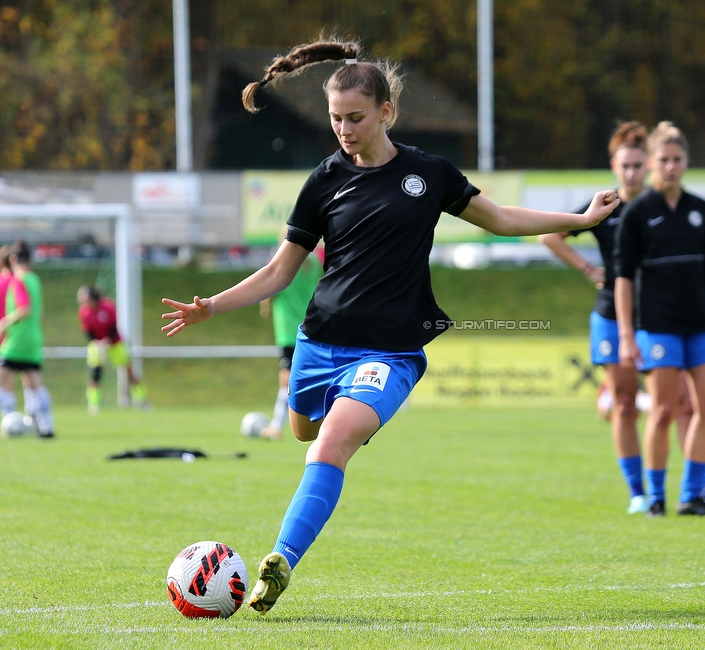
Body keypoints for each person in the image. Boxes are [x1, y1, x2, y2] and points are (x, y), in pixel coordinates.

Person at [161, 37, 619, 615]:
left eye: (355, 118)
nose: (344, 130)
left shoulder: (428, 174)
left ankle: (280, 562)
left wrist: (579, 220)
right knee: (303, 432)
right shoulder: (324, 181)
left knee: (329, 443)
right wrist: (212, 306)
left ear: (386, 112)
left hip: (391, 351)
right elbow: (280, 272)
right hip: (319, 342)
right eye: (334, 119)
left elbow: (499, 219)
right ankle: (306, 477)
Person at [614, 121, 705, 517]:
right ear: (651, 163)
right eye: (664, 159)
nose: (671, 166)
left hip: (701, 328)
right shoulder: (637, 213)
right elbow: (623, 280)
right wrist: (627, 336)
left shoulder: (701, 210)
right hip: (658, 327)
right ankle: (656, 496)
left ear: (686, 162)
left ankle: (693, 493)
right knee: (662, 410)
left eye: (678, 160)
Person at [540, 121, 651, 514]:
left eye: (639, 165)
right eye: (626, 165)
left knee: (680, 404)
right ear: (615, 166)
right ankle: (639, 492)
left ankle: (693, 484)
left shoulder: (662, 205)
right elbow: (549, 235)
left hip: (659, 316)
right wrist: (589, 269)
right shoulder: (605, 205)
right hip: (611, 314)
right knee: (625, 404)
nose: (632, 172)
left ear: (649, 165)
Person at [258, 234, 324, 439]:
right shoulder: (314, 263)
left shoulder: (280, 263)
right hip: (312, 326)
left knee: (287, 378)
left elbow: (267, 291)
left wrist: (265, 307)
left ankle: (277, 426)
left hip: (288, 330)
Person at [0, 240, 54, 438]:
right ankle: (46, 427)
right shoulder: (34, 279)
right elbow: (39, 311)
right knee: (34, 383)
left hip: (17, 340)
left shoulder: (18, 280)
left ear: (12, 259)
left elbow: (24, 308)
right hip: (33, 338)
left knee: (3, 378)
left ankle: (10, 416)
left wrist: (5, 322)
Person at [77, 285, 148, 414]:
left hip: (115, 343)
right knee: (95, 374)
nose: (80, 298)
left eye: (83, 295)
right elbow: (88, 331)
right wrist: (98, 343)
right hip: (96, 344)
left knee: (129, 371)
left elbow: (114, 327)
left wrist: (107, 341)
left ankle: (142, 400)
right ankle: (94, 404)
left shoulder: (108, 306)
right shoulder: (84, 311)